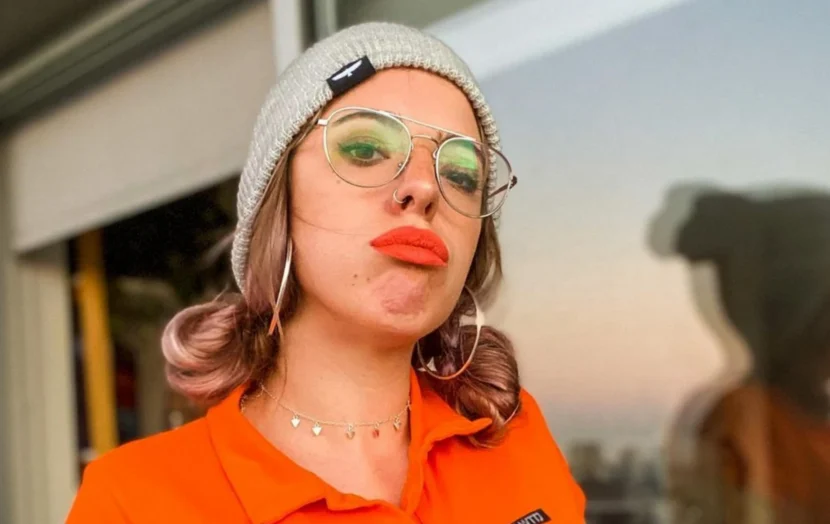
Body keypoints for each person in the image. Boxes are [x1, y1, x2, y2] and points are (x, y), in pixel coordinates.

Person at [67, 22, 585, 523]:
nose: (426, 187)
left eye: (461, 174)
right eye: (365, 149)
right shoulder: (132, 502)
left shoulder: (515, 437)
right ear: (277, 201)